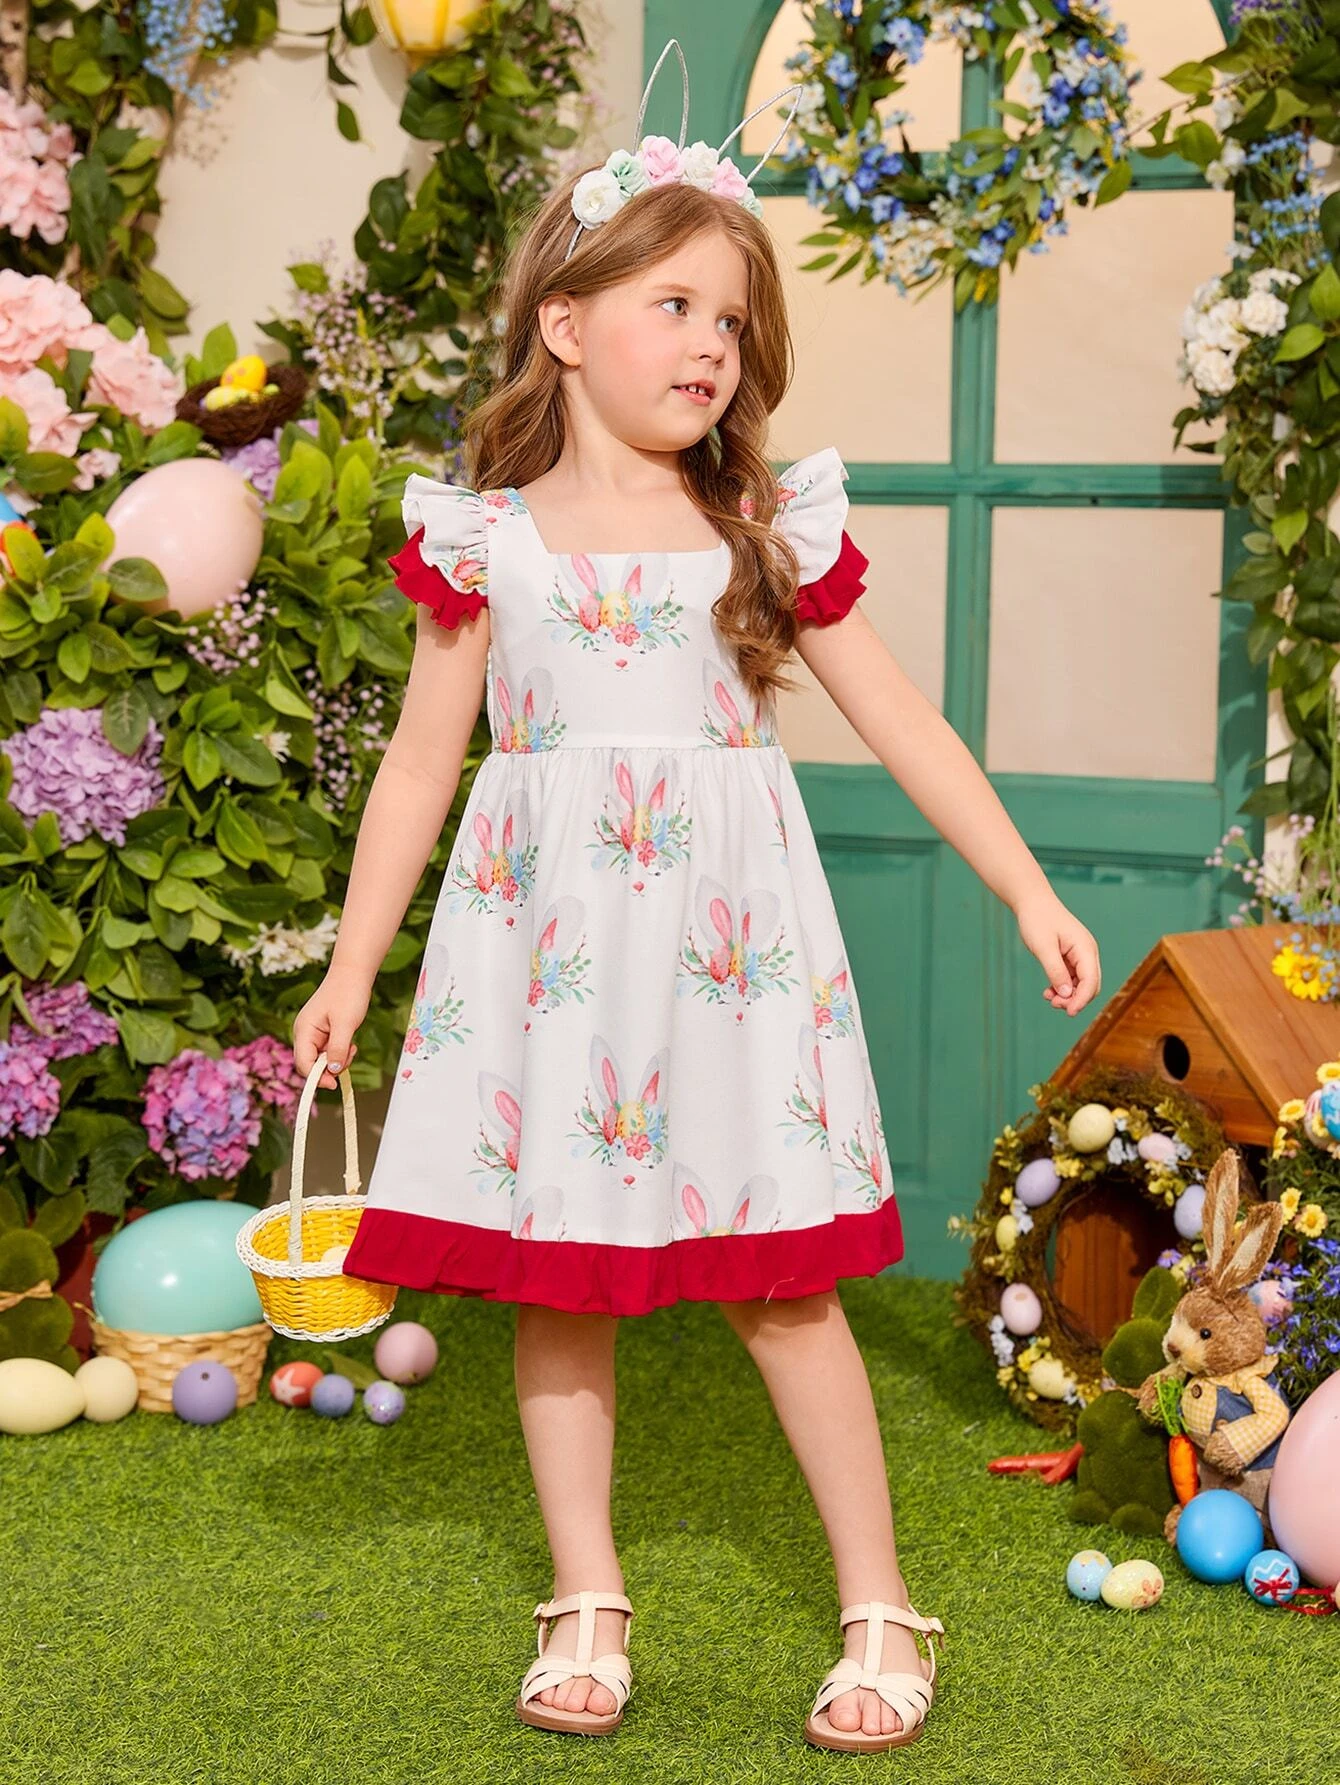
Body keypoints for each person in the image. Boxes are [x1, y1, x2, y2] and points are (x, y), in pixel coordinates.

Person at [292, 41, 1100, 1756]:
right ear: (566, 324)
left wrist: (1023, 883)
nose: (712, 345)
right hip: (551, 959)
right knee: (559, 1285)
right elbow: (421, 770)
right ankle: (585, 1593)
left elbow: (904, 722)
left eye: (732, 320)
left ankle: (879, 1599)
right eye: (674, 306)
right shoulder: (487, 540)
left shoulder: (765, 527)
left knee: (784, 1286)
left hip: (732, 967)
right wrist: (352, 969)